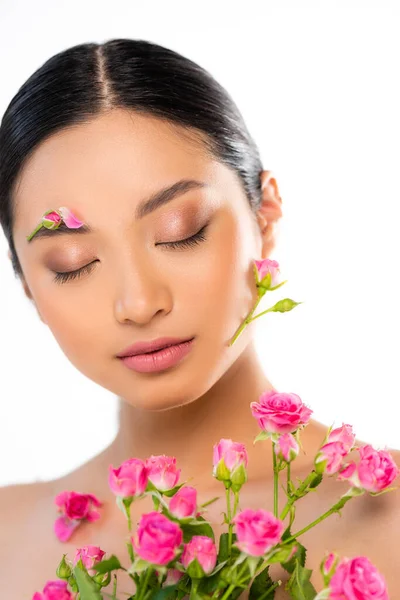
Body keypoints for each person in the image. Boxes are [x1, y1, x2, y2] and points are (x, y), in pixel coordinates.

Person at [0, 39, 398, 600]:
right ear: (29, 288)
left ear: (265, 214)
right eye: (73, 265)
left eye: (180, 232)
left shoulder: (388, 516)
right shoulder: (7, 537)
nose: (138, 303)